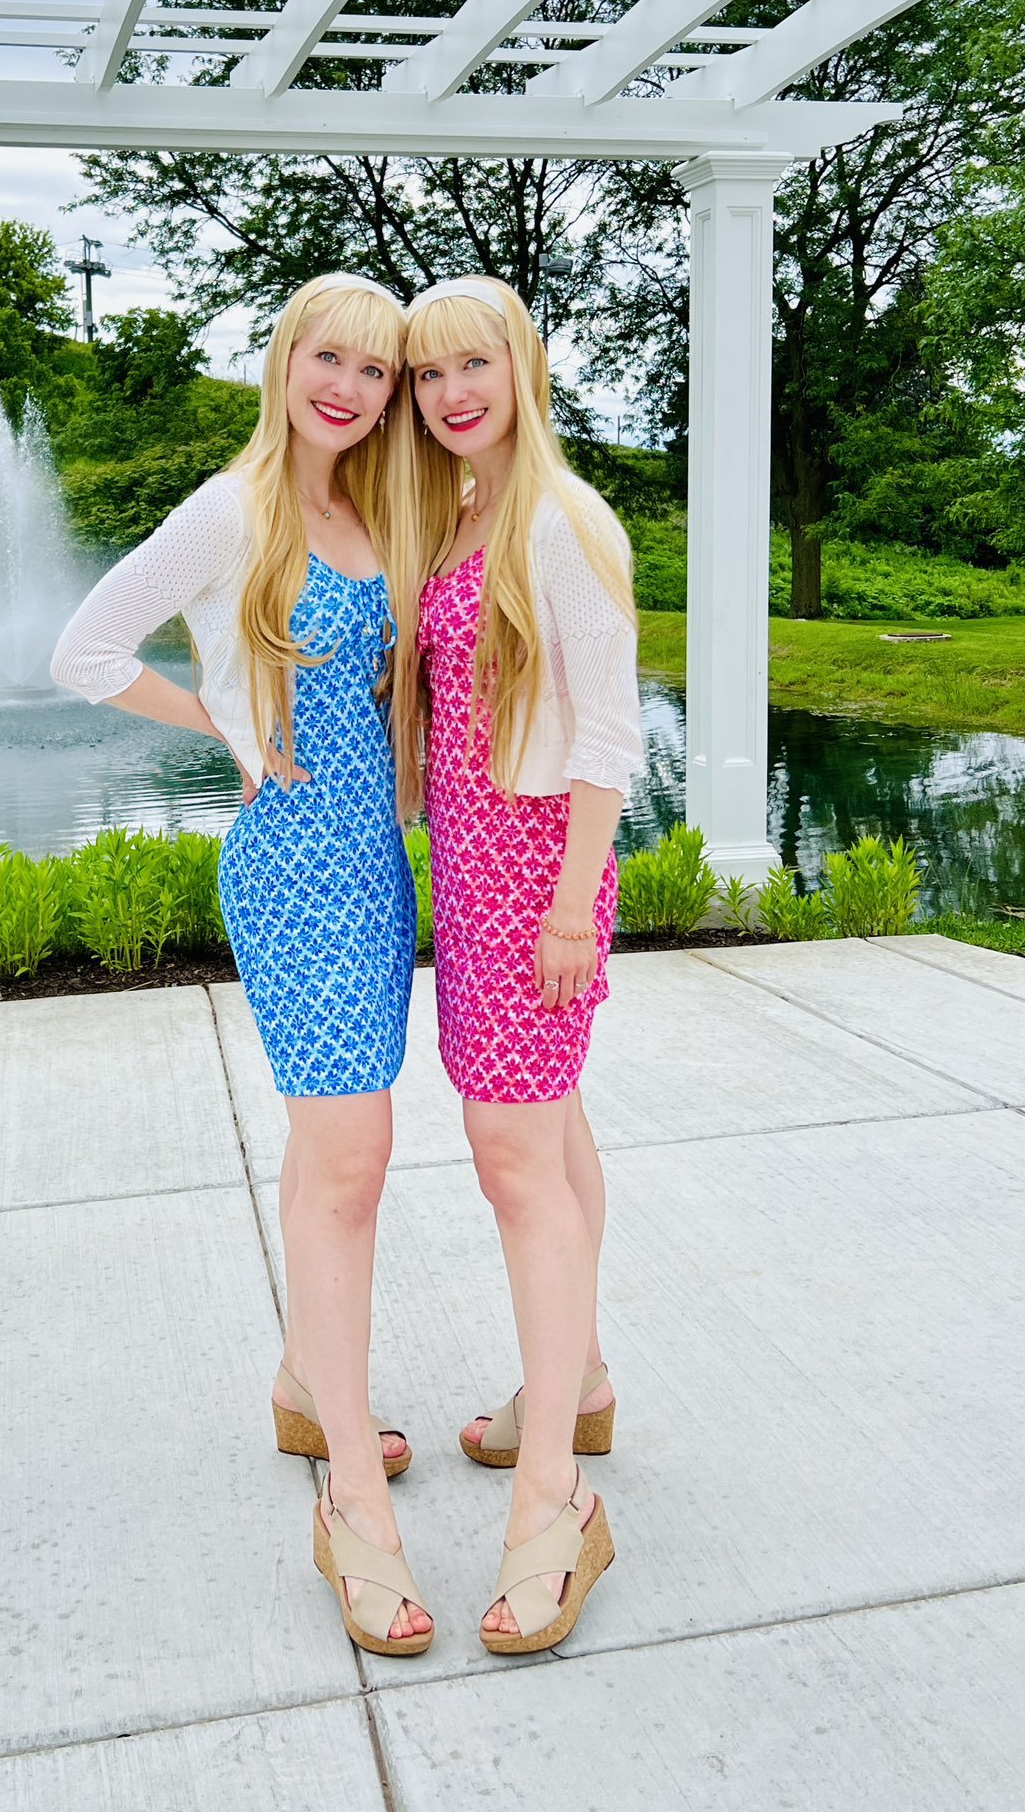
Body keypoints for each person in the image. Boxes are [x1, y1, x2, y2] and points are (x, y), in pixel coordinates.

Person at [49, 272, 434, 1656]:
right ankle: (349, 1497)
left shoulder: (379, 510)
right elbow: (83, 651)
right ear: (284, 361)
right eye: (329, 357)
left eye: (376, 371)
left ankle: (302, 1384)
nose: (349, 387)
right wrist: (222, 724)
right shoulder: (234, 511)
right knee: (353, 1161)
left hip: (375, 873)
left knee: (332, 1153)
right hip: (291, 873)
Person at [396, 274, 644, 1654]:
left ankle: (555, 1499)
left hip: (538, 874)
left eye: (471, 364)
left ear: (522, 368)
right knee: (551, 1130)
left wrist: (567, 910)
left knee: (511, 1160)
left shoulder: (560, 518)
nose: (450, 394)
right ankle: (580, 1382)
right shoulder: (462, 511)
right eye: (427, 374)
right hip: (473, 866)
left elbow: (607, 732)